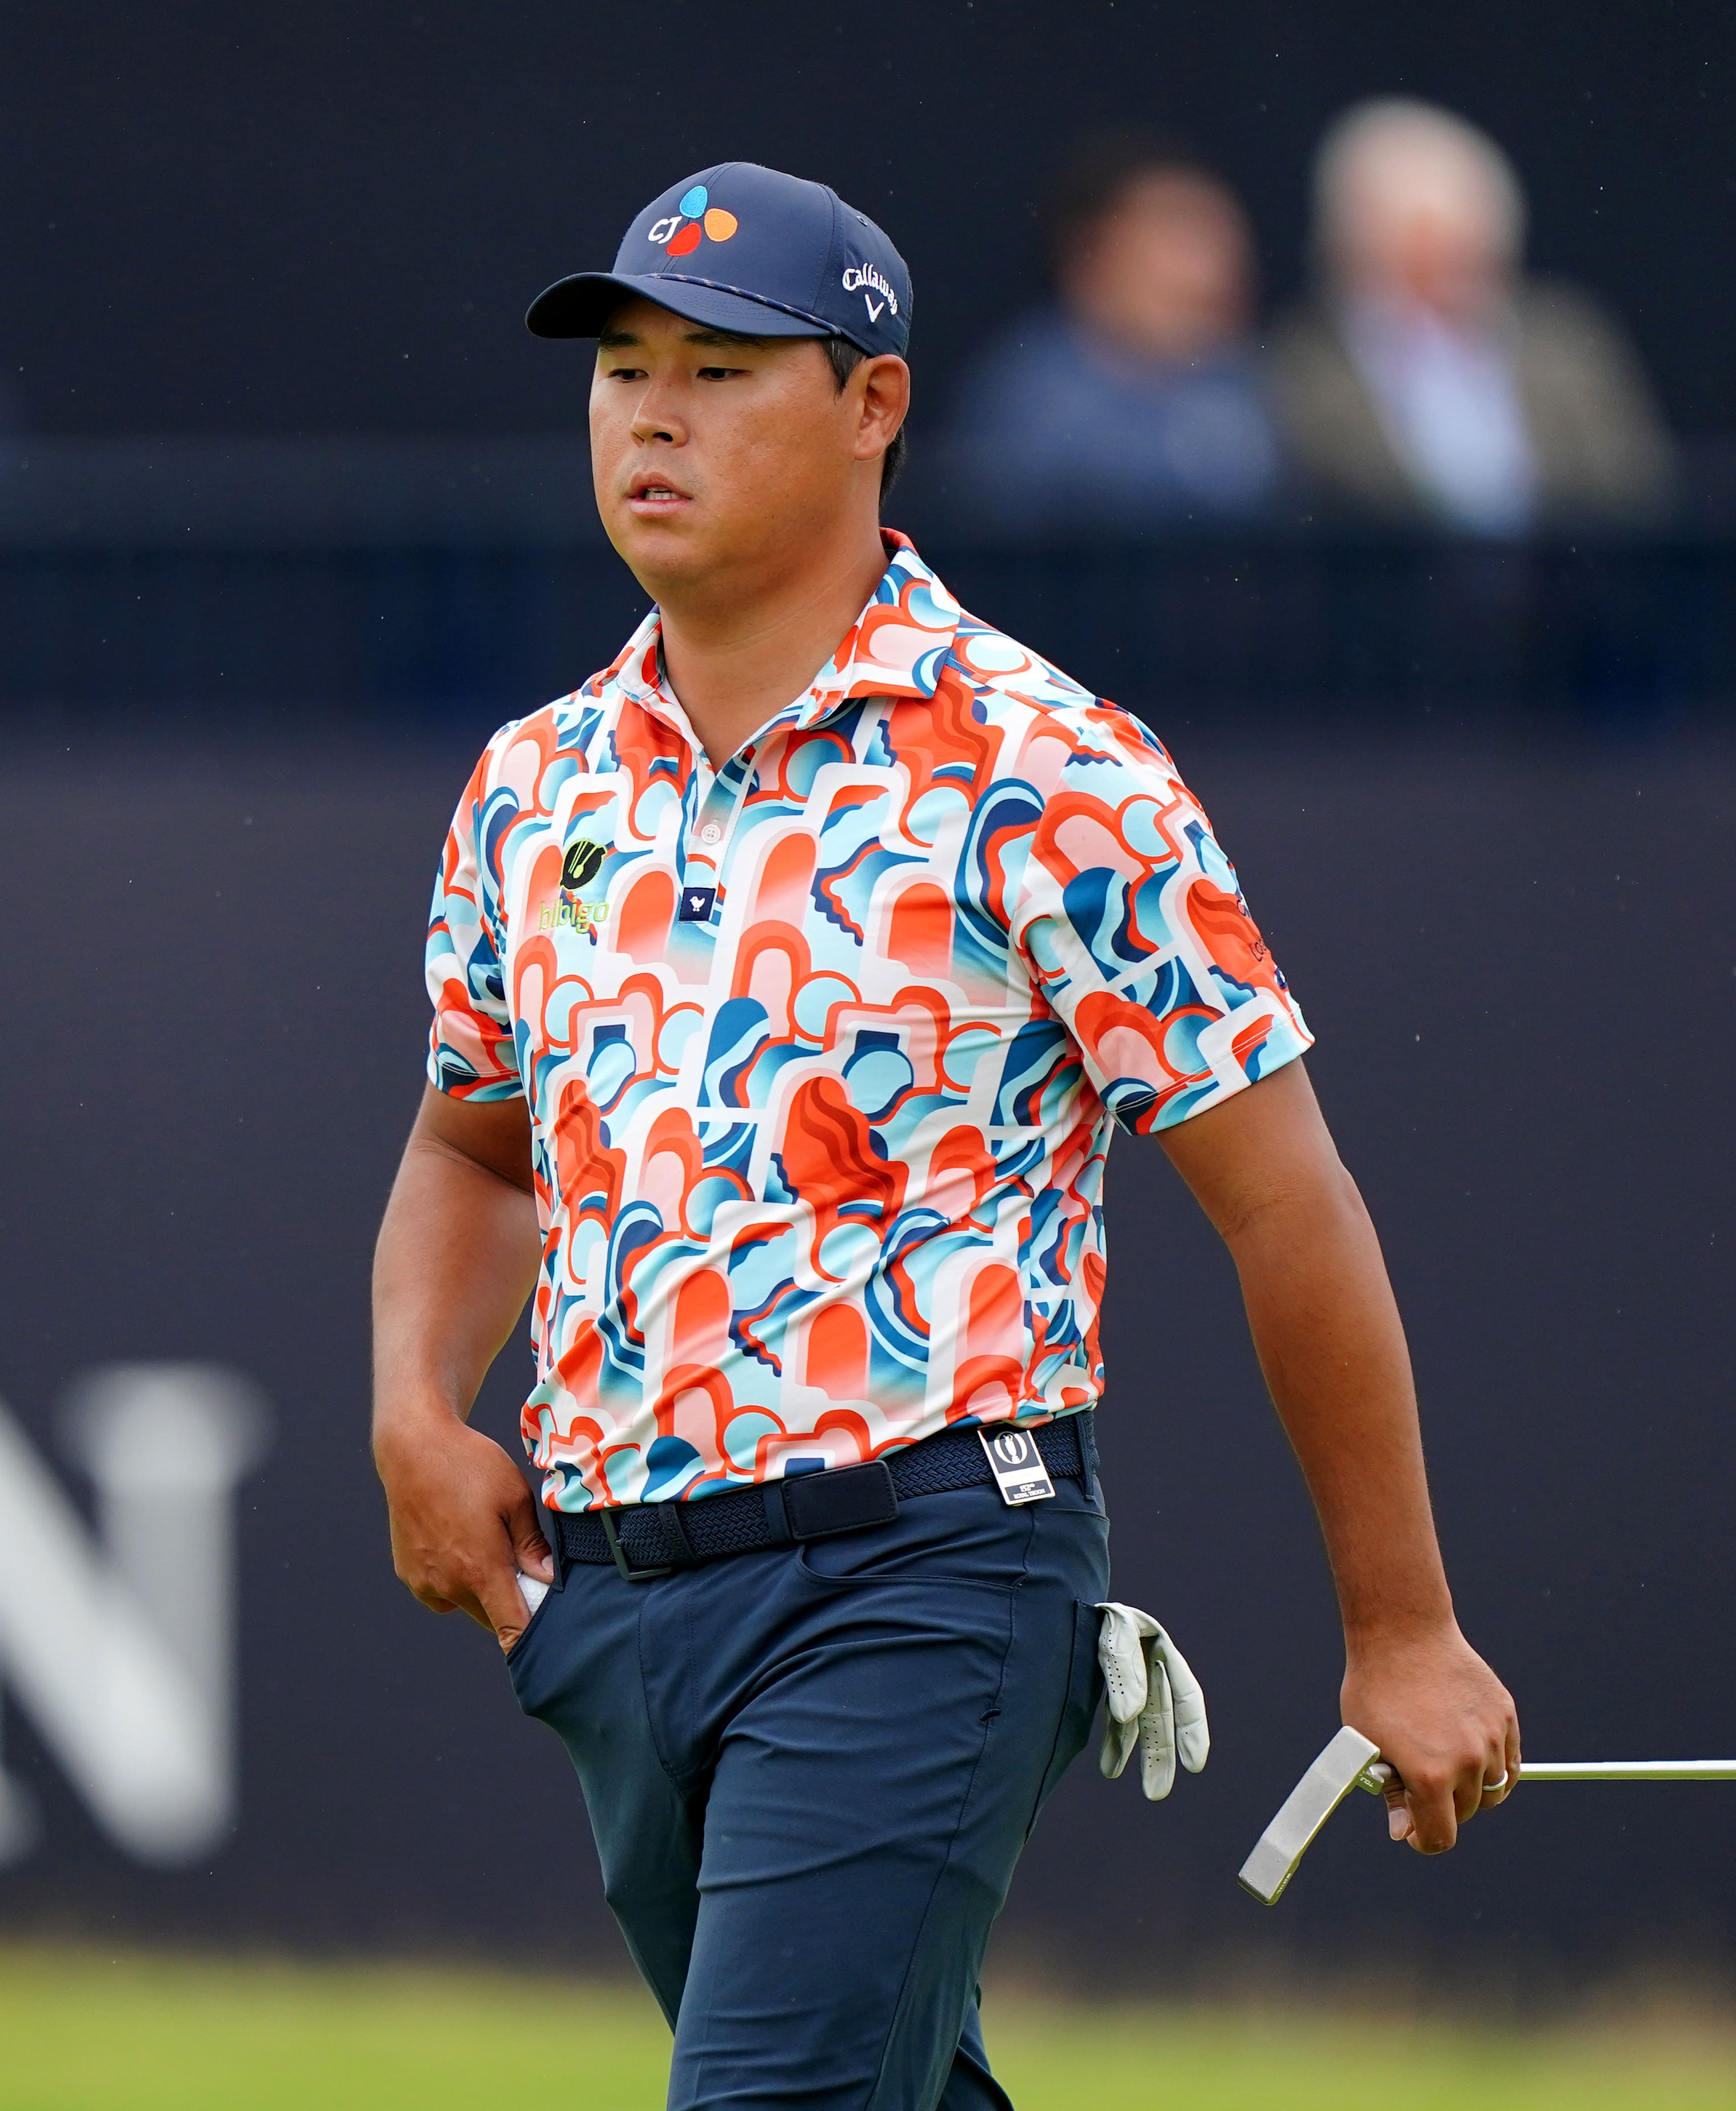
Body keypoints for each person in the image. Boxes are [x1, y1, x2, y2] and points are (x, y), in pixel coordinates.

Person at [371, 161, 1520, 2109]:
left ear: (872, 409)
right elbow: (475, 1150)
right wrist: (412, 1406)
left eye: (721, 370)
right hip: (617, 1614)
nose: (649, 413)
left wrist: (1398, 1625)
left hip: (915, 1582)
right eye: (622, 367)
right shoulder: (532, 786)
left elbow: (1281, 1203)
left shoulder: (1041, 768)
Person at [1270, 99, 1672, 535]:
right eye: (1420, 253)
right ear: (1354, 250)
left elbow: (1634, 487)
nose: (1449, 272)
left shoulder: (1565, 343)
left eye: (1467, 248)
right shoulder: (1305, 360)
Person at [945, 132, 1280, 528]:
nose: (1210, 273)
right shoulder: (1034, 399)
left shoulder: (1256, 385)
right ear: (1092, 256)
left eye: (1221, 241)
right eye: (1180, 241)